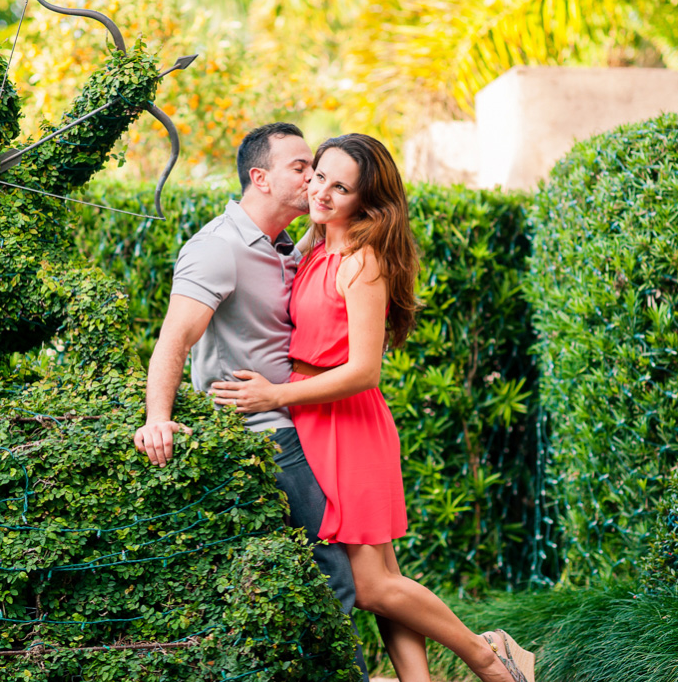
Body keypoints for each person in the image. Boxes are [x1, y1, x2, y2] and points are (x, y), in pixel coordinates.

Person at [208, 134, 536, 682]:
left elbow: (364, 370)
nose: (323, 193)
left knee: (369, 585)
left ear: (366, 201)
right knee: (385, 581)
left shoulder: (362, 261)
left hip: (347, 424)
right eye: (319, 177)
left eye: (342, 187)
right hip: (315, 421)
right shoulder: (313, 251)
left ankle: (488, 656)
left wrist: (274, 395)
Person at [133, 123, 369, 681]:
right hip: (266, 436)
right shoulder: (219, 247)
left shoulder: (289, 245)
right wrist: (157, 419)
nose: (313, 177)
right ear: (259, 178)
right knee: (333, 575)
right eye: (299, 167)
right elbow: (174, 339)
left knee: (335, 577)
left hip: (306, 427)